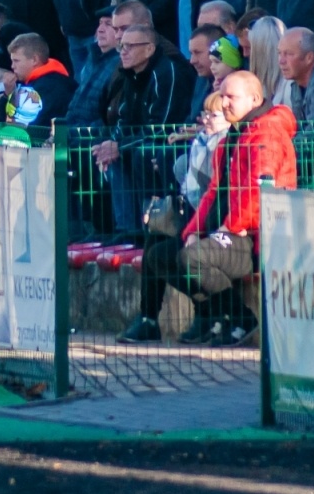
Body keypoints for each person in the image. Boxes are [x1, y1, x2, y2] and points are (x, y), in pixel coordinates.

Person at [120, 70, 295, 347]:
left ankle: (240, 318)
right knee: (159, 255)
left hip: (254, 237)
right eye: (222, 96)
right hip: (227, 230)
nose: (225, 103)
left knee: (192, 258)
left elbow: (259, 192)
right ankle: (214, 316)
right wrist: (193, 230)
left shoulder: (266, 134)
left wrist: (228, 228)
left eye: (232, 97)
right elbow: (214, 192)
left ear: (255, 98)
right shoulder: (233, 137)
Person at [91, 24, 195, 233]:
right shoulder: (131, 74)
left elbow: (160, 127)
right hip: (144, 142)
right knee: (107, 155)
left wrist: (120, 146)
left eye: (130, 46)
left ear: (149, 49)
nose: (123, 51)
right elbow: (125, 118)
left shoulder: (165, 73)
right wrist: (111, 144)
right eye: (121, 46)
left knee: (140, 155)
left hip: (169, 143)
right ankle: (126, 229)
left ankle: (149, 229)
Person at [2, 32, 75, 129]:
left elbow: (22, 128)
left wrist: (10, 98)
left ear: (34, 60)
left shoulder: (45, 89)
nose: (12, 66)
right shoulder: (46, 81)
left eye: (16, 61)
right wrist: (9, 94)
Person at [66, 8, 121, 125]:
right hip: (73, 132)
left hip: (91, 138)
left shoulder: (121, 64)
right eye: (100, 24)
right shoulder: (92, 58)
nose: (100, 30)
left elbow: (109, 117)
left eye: (108, 24)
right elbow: (75, 104)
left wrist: (73, 135)